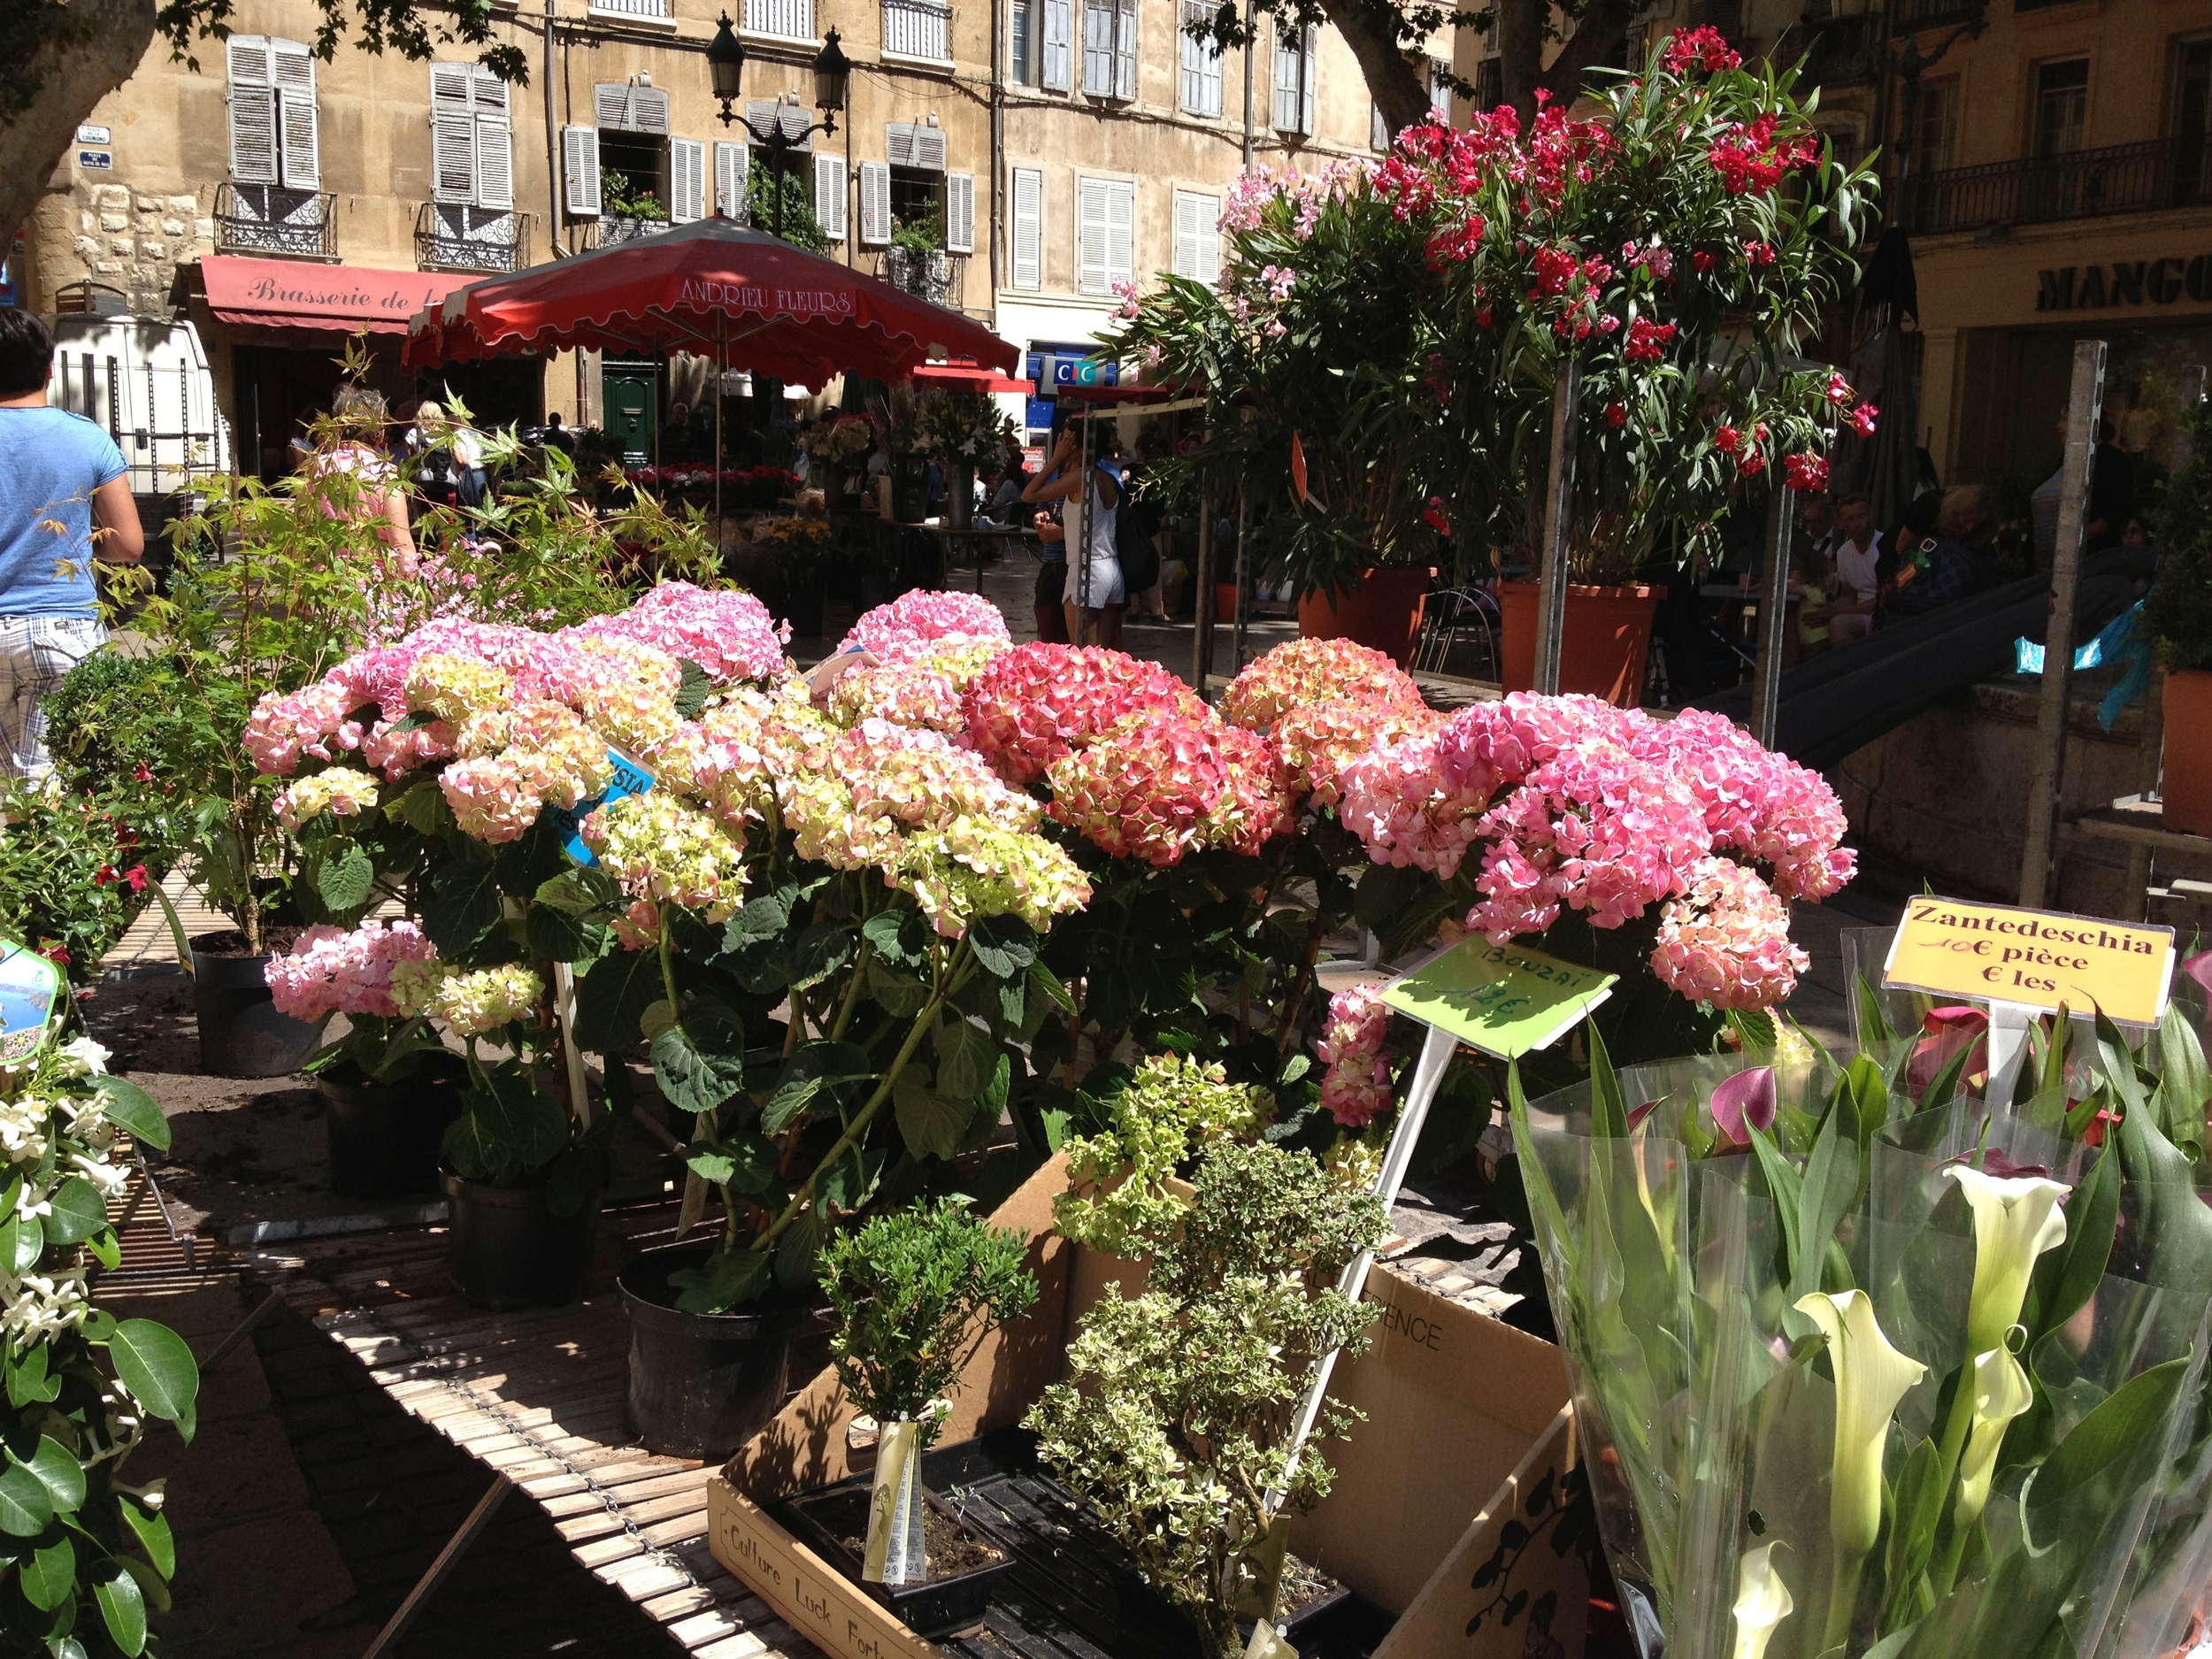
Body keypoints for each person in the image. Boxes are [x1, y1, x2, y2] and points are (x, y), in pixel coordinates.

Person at [0, 306, 144, 780]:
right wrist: (81, 546)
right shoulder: (87, 440)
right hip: (62, 628)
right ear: (49, 367)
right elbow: (128, 544)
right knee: (52, 796)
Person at [304, 384, 416, 558]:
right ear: (380, 433)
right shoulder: (386, 474)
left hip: (326, 574)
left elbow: (301, 534)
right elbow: (401, 545)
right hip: (373, 576)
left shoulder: (317, 467)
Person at [1885, 484, 1997, 618]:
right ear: (1956, 512)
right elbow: (1902, 547)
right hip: (1905, 577)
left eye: (1976, 524)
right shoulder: (1929, 505)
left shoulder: (1977, 530)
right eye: (1967, 521)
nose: (1970, 528)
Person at [1805, 491, 1880, 646]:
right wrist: (1828, 608)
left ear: (1871, 515)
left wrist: (1837, 611)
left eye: (1861, 516)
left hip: (1882, 614)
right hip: (1858, 612)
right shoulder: (1843, 553)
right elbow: (1849, 595)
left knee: (1839, 623)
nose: (1857, 523)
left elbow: (1884, 599)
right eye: (1850, 519)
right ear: (1840, 524)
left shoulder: (1886, 547)